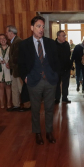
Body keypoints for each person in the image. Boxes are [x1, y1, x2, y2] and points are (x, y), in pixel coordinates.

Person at [18, 16, 59, 145]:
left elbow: (57, 61)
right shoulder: (24, 44)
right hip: (33, 82)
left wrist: (55, 75)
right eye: (38, 26)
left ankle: (49, 132)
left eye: (42, 27)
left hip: (50, 81)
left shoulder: (51, 43)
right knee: (35, 109)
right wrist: (25, 77)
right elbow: (20, 63)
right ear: (32, 28)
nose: (41, 29)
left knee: (49, 108)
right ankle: (37, 133)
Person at [6, 25, 30, 112]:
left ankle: (26, 105)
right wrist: (10, 64)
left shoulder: (18, 41)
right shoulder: (14, 41)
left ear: (11, 33)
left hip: (19, 70)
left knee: (21, 89)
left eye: (7, 32)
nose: (6, 34)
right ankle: (16, 105)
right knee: (14, 88)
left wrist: (10, 64)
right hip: (14, 70)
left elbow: (17, 57)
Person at [55, 30, 72, 104]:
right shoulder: (53, 44)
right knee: (57, 84)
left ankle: (65, 97)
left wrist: (69, 65)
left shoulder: (67, 44)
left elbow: (68, 56)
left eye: (65, 35)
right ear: (58, 37)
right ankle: (57, 98)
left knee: (65, 84)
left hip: (66, 68)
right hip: (57, 69)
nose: (64, 37)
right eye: (63, 36)